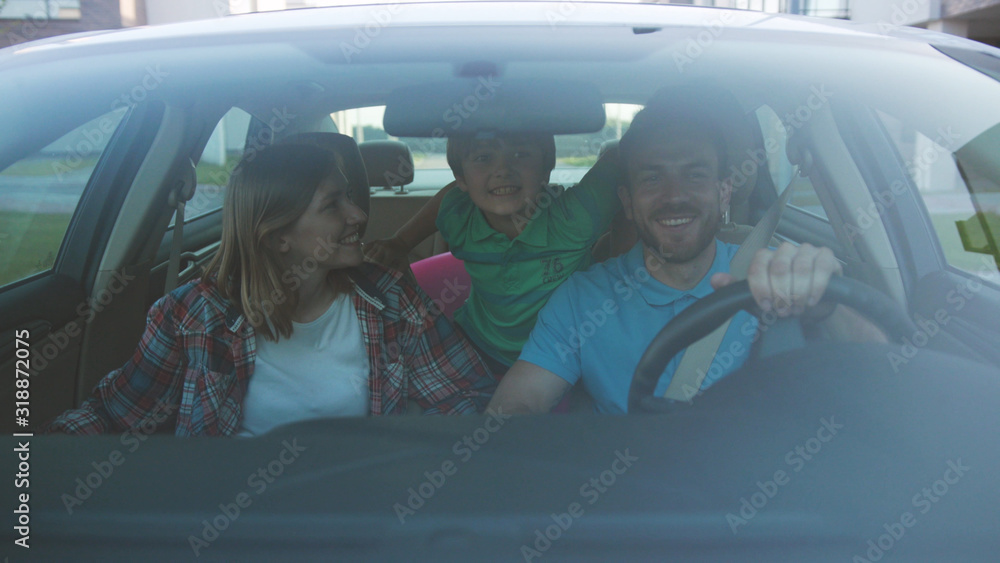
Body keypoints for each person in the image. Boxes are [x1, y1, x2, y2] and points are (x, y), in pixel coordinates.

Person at [43, 143, 495, 437]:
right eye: (332, 205)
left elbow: (466, 399)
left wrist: (409, 471)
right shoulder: (190, 315)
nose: (358, 215)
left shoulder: (393, 299)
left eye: (349, 198)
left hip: (362, 513)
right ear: (279, 237)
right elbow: (114, 416)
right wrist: (29, 469)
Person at [488, 103, 868, 414]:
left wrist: (829, 309)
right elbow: (519, 402)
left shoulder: (777, 275)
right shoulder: (583, 299)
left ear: (723, 193)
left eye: (695, 176)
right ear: (628, 202)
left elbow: (881, 374)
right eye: (652, 179)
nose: (674, 196)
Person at [364, 131, 622, 377]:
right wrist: (400, 242)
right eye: (483, 158)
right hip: (477, 349)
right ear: (462, 179)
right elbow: (448, 199)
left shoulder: (574, 218)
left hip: (562, 357)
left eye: (521, 154)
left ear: (546, 169)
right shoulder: (460, 216)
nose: (503, 170)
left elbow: (621, 157)